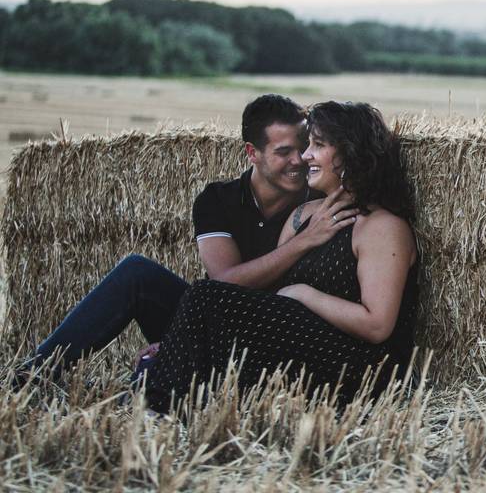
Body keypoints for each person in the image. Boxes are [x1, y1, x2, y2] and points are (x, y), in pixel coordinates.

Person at [17, 94, 343, 384]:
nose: (300, 160)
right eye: (284, 151)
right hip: (211, 321)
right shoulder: (218, 200)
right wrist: (301, 242)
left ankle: (164, 376)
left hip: (274, 338)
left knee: (155, 376)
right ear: (251, 153)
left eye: (304, 148)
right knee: (136, 274)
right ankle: (32, 377)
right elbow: (223, 284)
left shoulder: (317, 200)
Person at [143, 101, 418, 413]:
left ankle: (157, 406)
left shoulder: (382, 227)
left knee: (207, 296)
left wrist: (304, 294)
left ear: (349, 153)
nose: (305, 156)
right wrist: (184, 340)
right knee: (205, 306)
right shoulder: (302, 215)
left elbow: (377, 326)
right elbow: (265, 301)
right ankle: (166, 383)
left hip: (357, 368)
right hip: (298, 350)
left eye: (318, 145)